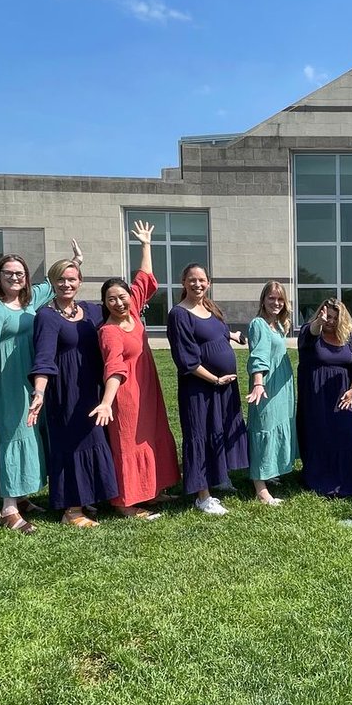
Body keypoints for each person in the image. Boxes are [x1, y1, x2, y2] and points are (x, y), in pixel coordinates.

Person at [0, 244, 80, 533]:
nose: (15, 278)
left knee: (33, 432)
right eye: (9, 273)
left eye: (20, 273)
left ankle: (22, 494)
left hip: (34, 375)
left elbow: (55, 283)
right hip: (7, 376)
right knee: (13, 433)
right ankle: (8, 508)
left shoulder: (32, 299)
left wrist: (77, 261)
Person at [90, 221, 180, 519]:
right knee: (128, 443)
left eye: (122, 296)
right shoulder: (109, 331)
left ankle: (150, 491)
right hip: (125, 394)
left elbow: (144, 278)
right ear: (104, 303)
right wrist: (106, 401)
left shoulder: (133, 308)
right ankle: (125, 502)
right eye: (111, 299)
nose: (118, 302)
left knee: (151, 436)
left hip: (148, 388)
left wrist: (145, 244)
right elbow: (114, 368)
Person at [28, 258, 118, 528]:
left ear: (80, 281)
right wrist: (39, 392)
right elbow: (44, 357)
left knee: (93, 440)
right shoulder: (47, 315)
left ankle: (88, 496)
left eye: (72, 279)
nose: (66, 284)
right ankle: (71, 509)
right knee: (71, 445)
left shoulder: (92, 311)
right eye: (61, 279)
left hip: (92, 387)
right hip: (65, 391)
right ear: (53, 283)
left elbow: (125, 307)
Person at [167, 263, 250, 516]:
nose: (197, 284)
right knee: (200, 435)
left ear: (209, 282)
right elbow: (186, 360)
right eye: (192, 280)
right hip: (200, 388)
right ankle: (202, 496)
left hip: (223, 385)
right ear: (183, 282)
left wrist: (233, 336)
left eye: (202, 280)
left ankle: (219, 477)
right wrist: (214, 379)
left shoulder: (209, 307)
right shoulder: (179, 314)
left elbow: (219, 332)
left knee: (219, 430)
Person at [296, 298, 352, 497]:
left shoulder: (349, 336)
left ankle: (351, 476)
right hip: (317, 397)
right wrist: (318, 324)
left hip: (345, 394)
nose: (329, 321)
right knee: (321, 435)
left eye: (334, 318)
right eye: (326, 316)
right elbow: (310, 334)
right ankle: (321, 478)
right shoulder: (310, 332)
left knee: (347, 436)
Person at [245, 281, 297, 506]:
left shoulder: (277, 325)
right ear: (263, 300)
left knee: (277, 426)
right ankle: (260, 487)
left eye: (280, 299)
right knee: (263, 429)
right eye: (271, 298)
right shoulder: (259, 324)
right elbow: (259, 355)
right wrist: (258, 383)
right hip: (266, 385)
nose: (276, 303)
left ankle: (270, 471)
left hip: (281, 386)